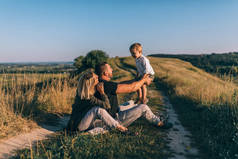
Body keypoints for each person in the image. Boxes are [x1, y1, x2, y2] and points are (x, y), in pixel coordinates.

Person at [95, 62, 171, 129]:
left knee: (132, 103)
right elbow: (132, 88)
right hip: (113, 120)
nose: (112, 69)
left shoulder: (102, 82)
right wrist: (144, 80)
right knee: (143, 107)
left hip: (113, 112)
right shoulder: (106, 85)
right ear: (105, 73)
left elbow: (120, 84)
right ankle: (159, 123)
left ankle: (153, 116)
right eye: (110, 68)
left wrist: (137, 80)